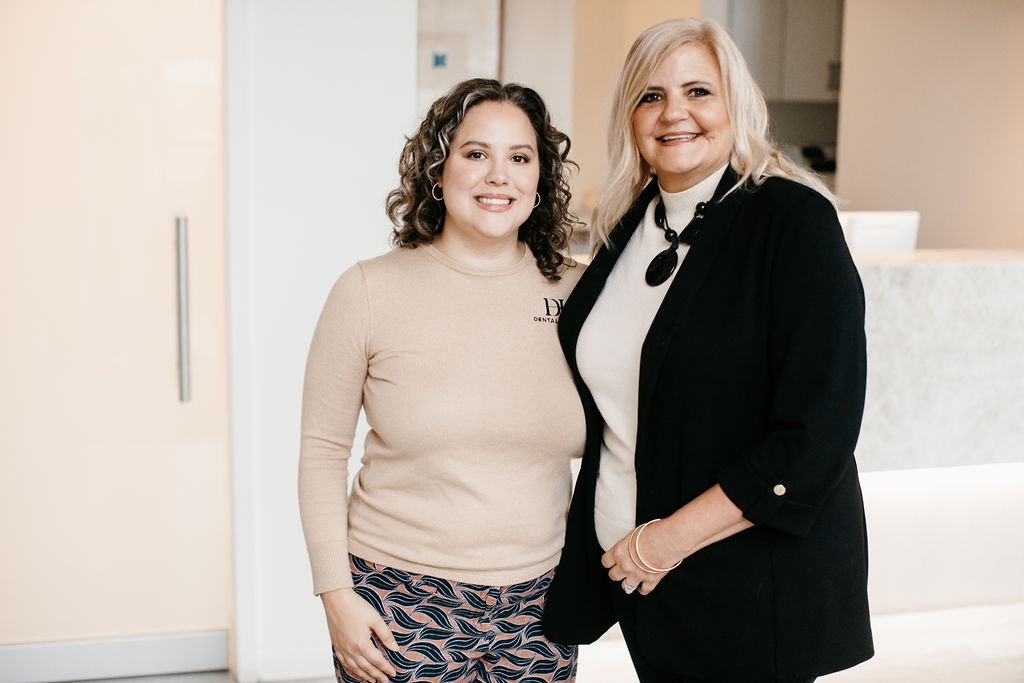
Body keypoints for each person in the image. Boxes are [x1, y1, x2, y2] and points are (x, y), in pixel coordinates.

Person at [542, 17, 873, 683]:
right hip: (643, 588)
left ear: (735, 105)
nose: (675, 114)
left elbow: (815, 438)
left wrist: (662, 543)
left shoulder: (791, 221)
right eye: (651, 96)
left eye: (699, 91)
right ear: (631, 116)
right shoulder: (626, 228)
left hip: (747, 589)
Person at [298, 78, 585, 683]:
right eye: (476, 153)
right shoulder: (368, 290)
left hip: (543, 604)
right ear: (438, 168)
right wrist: (335, 596)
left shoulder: (581, 293)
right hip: (399, 600)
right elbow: (323, 451)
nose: (498, 176)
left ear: (542, 180)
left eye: (520, 157)